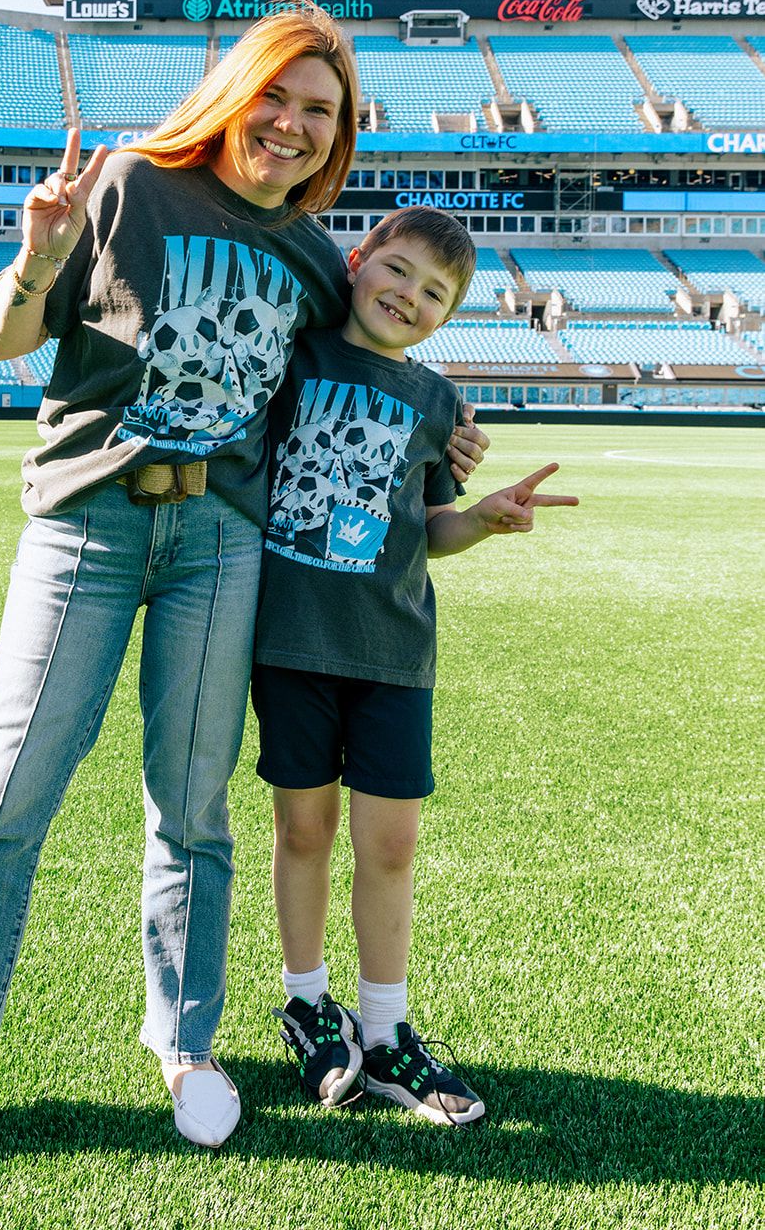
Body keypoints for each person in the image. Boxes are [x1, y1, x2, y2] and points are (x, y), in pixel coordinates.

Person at [0, 6, 489, 1198]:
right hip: (88, 525)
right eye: (281, 98)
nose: (296, 127)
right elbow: (6, 341)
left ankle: (185, 1042)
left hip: (221, 538)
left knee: (192, 809)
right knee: (8, 796)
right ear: (239, 90)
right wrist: (39, 250)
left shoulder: (315, 257)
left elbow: (360, 373)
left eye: (322, 113)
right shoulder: (130, 184)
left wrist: (445, 437)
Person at [251, 206, 577, 1124]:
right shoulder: (295, 358)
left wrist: (479, 520)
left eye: (435, 292)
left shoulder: (437, 403)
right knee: (304, 833)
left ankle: (387, 1032)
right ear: (357, 264)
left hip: (393, 651)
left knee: (389, 845)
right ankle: (309, 1006)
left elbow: (424, 529)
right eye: (396, 271)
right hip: (290, 644)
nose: (409, 295)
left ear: (448, 314)